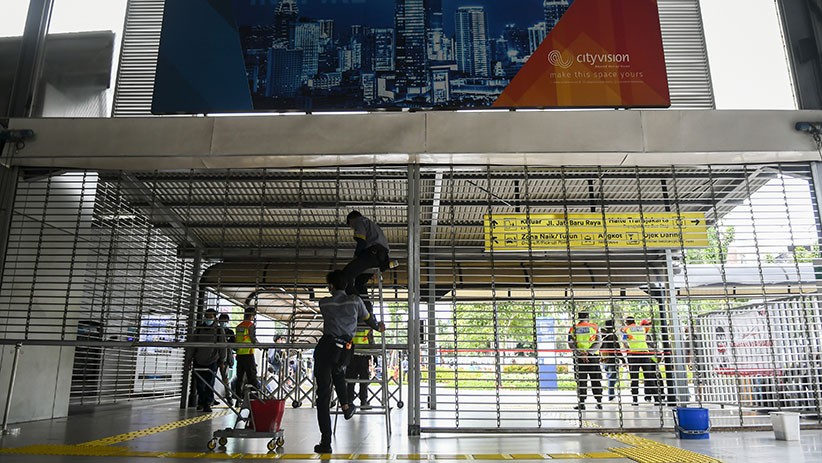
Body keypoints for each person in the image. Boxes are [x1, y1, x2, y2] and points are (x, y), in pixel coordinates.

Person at [313, 269, 385, 454]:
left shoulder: (325, 303)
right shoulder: (355, 301)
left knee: (323, 396)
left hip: (326, 348)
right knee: (338, 372)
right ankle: (346, 406)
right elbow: (369, 320)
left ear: (330, 286)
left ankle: (326, 441)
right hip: (345, 350)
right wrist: (378, 327)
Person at [341, 210, 391, 312]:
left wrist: (356, 257)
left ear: (351, 219)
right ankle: (367, 311)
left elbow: (361, 241)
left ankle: (356, 305)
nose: (352, 228)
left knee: (344, 276)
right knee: (359, 283)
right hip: (381, 258)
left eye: (350, 225)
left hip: (371, 254)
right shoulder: (372, 225)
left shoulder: (359, 221)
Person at [191, 309, 226, 413]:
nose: (208, 319)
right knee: (199, 384)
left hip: (212, 361)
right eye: (206, 316)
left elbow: (222, 346)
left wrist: (222, 360)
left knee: (209, 384)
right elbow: (193, 345)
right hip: (198, 360)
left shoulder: (219, 330)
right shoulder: (198, 329)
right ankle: (202, 402)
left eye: (210, 317)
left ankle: (206, 403)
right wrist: (189, 358)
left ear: (215, 318)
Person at [568, 311, 603, 410]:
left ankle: (582, 403)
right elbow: (598, 342)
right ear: (588, 317)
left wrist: (581, 353)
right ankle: (599, 402)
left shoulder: (573, 329)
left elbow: (571, 344)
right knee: (595, 379)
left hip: (579, 358)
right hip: (593, 358)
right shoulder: (595, 327)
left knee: (581, 381)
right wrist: (589, 353)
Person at [621, 316, 660, 405]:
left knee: (634, 378)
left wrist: (628, 347)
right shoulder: (642, 328)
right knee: (649, 376)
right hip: (645, 354)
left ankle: (635, 400)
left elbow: (624, 341)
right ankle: (657, 399)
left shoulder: (626, 329)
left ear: (626, 322)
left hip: (633, 354)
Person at [346, 311, 376, 410]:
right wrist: (373, 354)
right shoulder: (368, 320)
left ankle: (349, 401)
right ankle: (363, 401)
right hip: (364, 354)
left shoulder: (351, 318)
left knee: (351, 380)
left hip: (351, 353)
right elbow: (370, 338)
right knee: (364, 380)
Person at [234, 306, 260, 398]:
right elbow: (252, 339)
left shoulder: (239, 326)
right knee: (252, 376)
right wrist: (260, 346)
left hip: (239, 354)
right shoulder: (250, 325)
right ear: (252, 315)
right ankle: (254, 396)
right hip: (248, 354)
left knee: (240, 377)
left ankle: (238, 397)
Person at [600, 319, 624, 401]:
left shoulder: (602, 335)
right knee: (612, 378)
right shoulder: (612, 336)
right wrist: (622, 359)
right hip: (612, 360)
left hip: (604, 359)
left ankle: (611, 394)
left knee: (610, 377)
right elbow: (616, 349)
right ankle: (611, 395)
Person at [217, 313, 235, 406]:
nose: (223, 323)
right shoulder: (215, 331)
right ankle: (210, 398)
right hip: (214, 357)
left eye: (225, 321)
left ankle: (229, 396)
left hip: (226, 358)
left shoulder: (230, 332)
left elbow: (233, 345)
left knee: (225, 378)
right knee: (211, 378)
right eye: (221, 321)